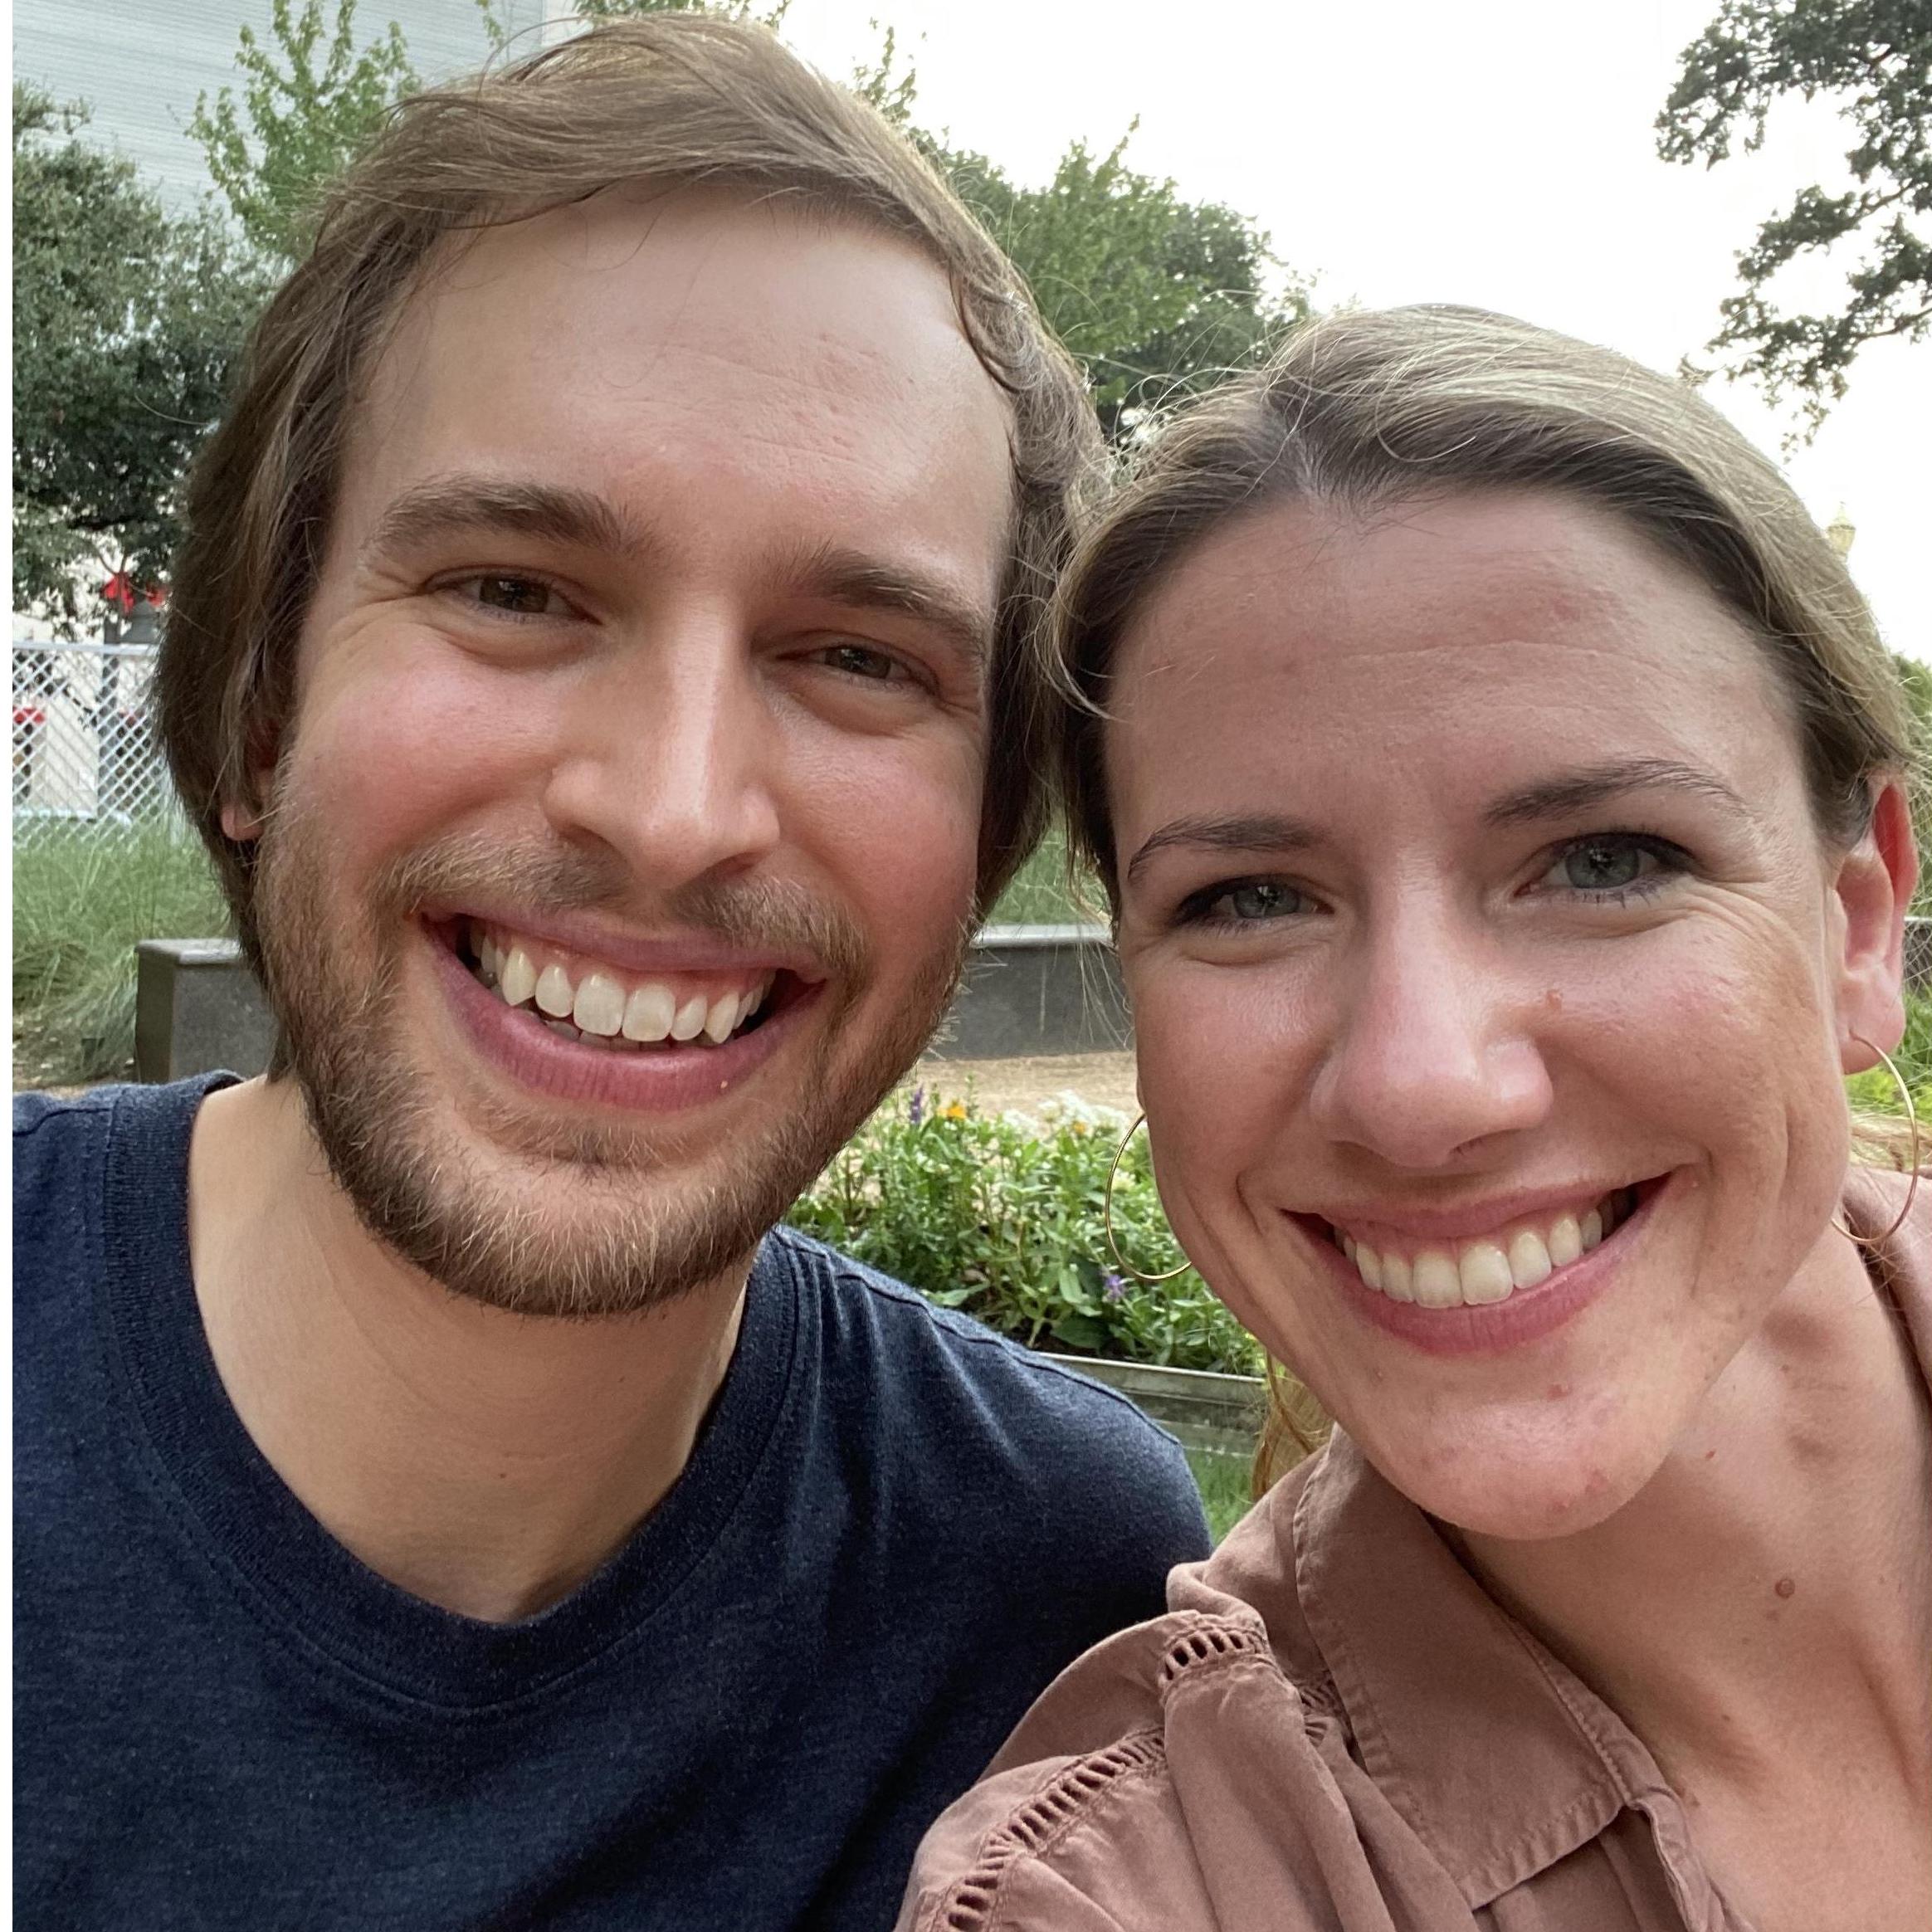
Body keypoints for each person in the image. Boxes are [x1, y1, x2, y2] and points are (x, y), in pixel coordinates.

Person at [13, 19, 1212, 1929]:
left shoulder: (1048, 1602)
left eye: (855, 657)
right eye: (513, 587)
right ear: (256, 713)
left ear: (979, 852)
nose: (672, 812)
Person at [900, 306, 1932, 1930]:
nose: (1422, 1083)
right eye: (1250, 898)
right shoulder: (1136, 1891)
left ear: (1857, 925)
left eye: (1606, 860)